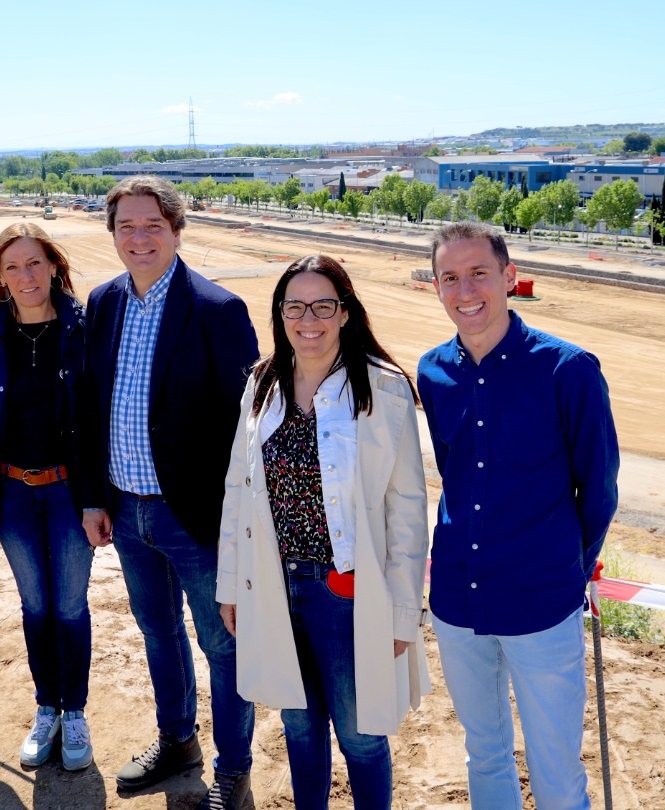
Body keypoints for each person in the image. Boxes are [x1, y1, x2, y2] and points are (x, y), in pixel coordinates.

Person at [417, 222, 619, 810]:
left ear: (509, 277)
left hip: (541, 603)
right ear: (436, 287)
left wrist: (562, 570)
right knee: (484, 752)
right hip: (458, 598)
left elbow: (599, 490)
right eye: (449, 277)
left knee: (555, 769)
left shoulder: (568, 370)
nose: (465, 290)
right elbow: (454, 473)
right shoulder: (432, 373)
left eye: (479, 272)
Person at [216, 255, 430, 810]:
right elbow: (238, 491)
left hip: (346, 594)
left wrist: (405, 610)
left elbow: (406, 508)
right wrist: (229, 583)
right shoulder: (261, 385)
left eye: (322, 306)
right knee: (299, 728)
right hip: (272, 586)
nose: (308, 319)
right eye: (295, 307)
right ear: (280, 314)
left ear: (345, 313)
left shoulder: (381, 390)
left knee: (360, 736)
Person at [79, 175, 260, 810]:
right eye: (126, 227)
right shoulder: (101, 303)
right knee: (158, 633)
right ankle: (177, 740)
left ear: (177, 230)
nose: (139, 238)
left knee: (223, 645)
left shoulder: (217, 310)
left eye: (152, 225)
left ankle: (233, 770)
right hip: (125, 512)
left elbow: (247, 429)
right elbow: (91, 407)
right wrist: (95, 498)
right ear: (113, 236)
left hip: (197, 520)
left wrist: (239, 522)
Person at [0, 224, 94, 771]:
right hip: (14, 494)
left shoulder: (83, 329)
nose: (26, 276)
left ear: (54, 266)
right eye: (12, 266)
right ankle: (47, 708)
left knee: (69, 606)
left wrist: (98, 498)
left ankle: (76, 713)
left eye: (35, 263)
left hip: (69, 491)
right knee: (36, 606)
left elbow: (96, 418)